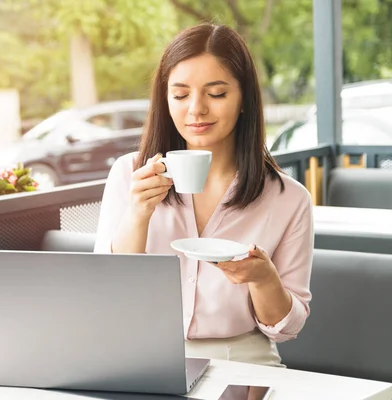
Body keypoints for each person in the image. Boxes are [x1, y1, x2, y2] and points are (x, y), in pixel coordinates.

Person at [94, 23, 313, 367]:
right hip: (141, 357)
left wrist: (263, 278)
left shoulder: (289, 198)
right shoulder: (129, 175)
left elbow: (285, 328)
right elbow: (105, 293)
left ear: (244, 100)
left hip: (242, 361)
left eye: (216, 94)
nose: (196, 109)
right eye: (180, 95)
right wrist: (138, 214)